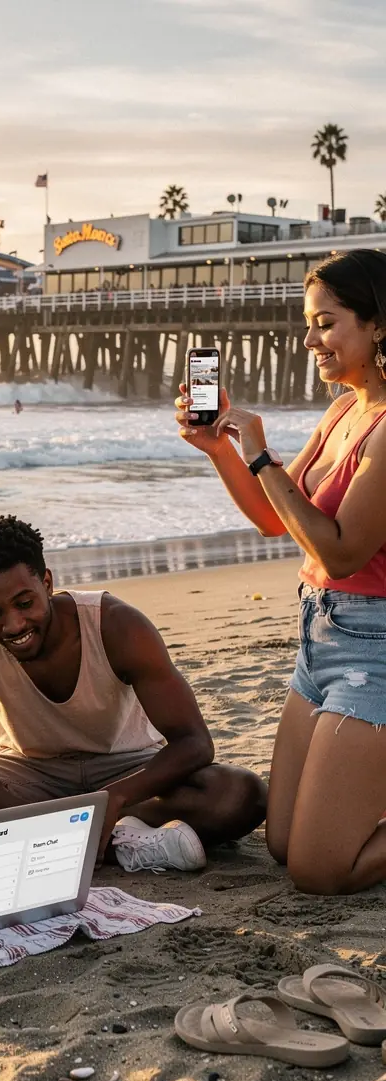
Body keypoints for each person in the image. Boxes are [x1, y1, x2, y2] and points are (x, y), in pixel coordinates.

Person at [175, 249, 386, 896]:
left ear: (378, 324)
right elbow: (279, 520)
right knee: (283, 840)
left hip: (375, 648)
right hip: (317, 638)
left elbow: (342, 552)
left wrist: (262, 450)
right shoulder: (345, 409)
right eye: (308, 323)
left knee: (321, 869)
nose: (310, 338)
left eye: (326, 322)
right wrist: (223, 451)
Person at [0, 515, 264, 873]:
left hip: (124, 766)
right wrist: (18, 810)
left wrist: (113, 799)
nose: (13, 625)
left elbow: (194, 742)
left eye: (25, 603)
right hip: (28, 774)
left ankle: (64, 837)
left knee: (239, 794)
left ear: (47, 582)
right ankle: (125, 842)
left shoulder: (117, 624)